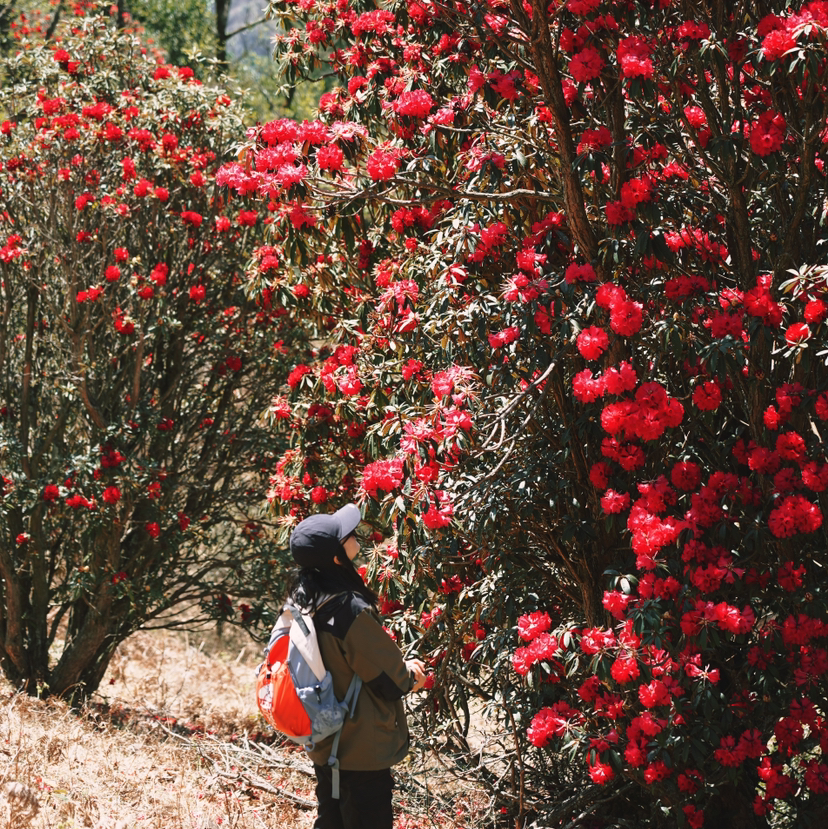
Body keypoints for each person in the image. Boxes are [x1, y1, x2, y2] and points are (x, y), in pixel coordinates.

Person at [288, 502, 427, 829]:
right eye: (348, 535)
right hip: (360, 749)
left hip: (325, 741)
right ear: (337, 557)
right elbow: (392, 681)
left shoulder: (303, 599)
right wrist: (413, 675)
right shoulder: (347, 610)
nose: (356, 536)